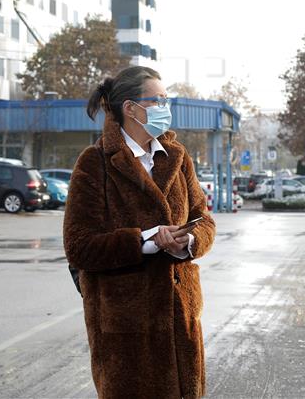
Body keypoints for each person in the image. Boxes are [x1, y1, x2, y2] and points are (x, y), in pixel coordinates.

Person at [63, 66, 216, 399]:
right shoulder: (95, 162)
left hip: (181, 320)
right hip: (126, 332)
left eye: (166, 99)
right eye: (157, 100)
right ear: (130, 108)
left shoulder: (177, 157)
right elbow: (79, 246)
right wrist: (144, 240)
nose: (166, 108)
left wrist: (187, 241)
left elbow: (203, 219)